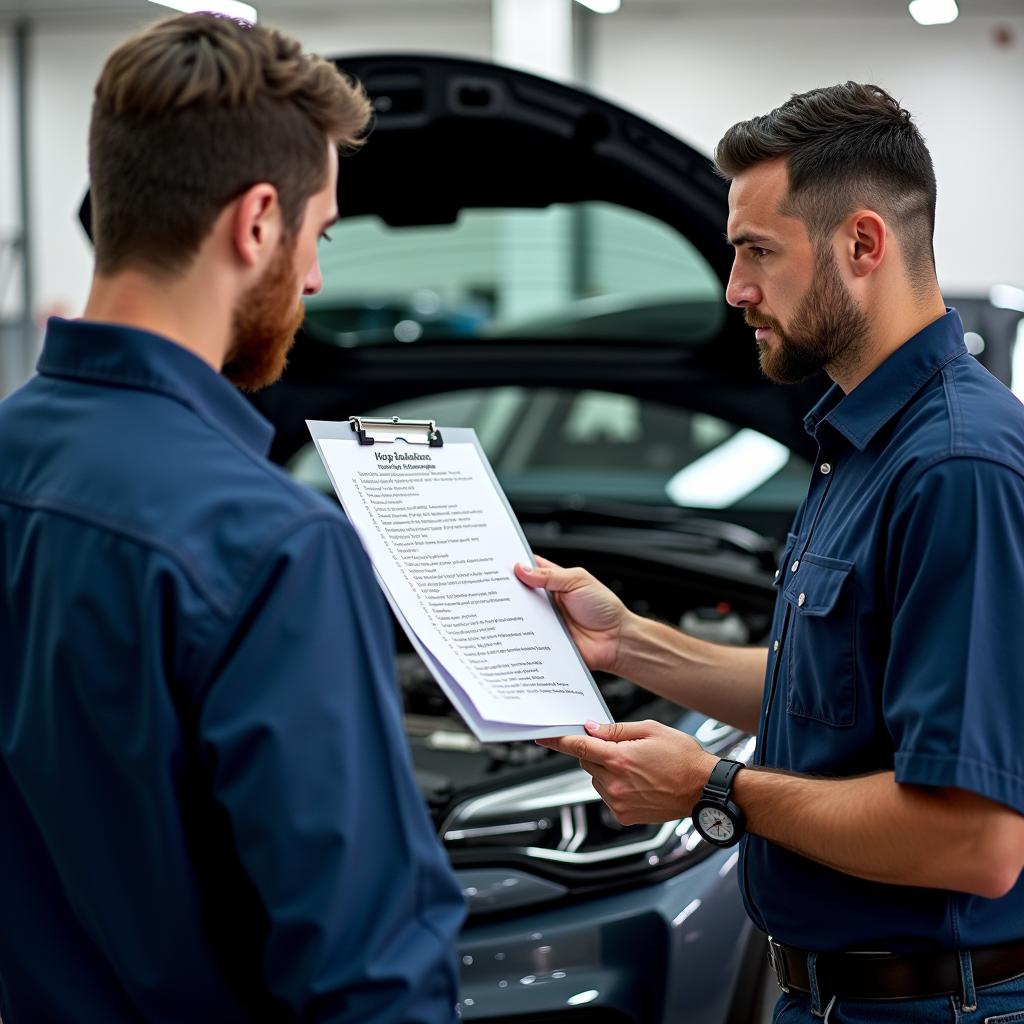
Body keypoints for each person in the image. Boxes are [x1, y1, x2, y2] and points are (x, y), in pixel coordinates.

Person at [516, 82, 1024, 1023]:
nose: (734, 289)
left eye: (757, 252)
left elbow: (975, 841)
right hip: (834, 999)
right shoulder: (864, 442)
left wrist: (715, 787)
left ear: (862, 244)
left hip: (928, 1008)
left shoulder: (956, 468)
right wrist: (628, 643)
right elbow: (824, 690)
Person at [0, 15, 464, 1024]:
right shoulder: (273, 547)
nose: (314, 279)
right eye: (320, 232)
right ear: (258, 220)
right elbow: (369, 976)